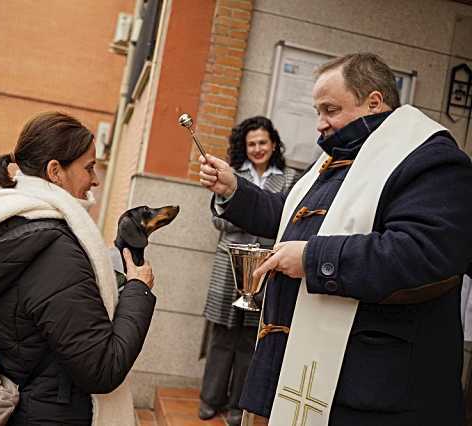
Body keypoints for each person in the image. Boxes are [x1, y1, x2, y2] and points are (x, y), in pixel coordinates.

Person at [199, 53, 472, 425]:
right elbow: (292, 216)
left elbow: (425, 252)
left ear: (373, 102)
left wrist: (312, 259)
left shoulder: (431, 159)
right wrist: (235, 190)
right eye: (317, 111)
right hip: (308, 365)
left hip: (376, 390)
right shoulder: (337, 158)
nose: (320, 125)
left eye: (330, 109)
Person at [0, 112, 156, 425]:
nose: (95, 180)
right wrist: (139, 289)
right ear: (55, 171)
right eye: (89, 167)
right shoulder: (55, 251)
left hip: (20, 402)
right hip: (52, 412)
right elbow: (102, 369)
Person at [199, 116, 297, 426]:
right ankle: (209, 398)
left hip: (264, 266)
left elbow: (285, 221)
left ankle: (236, 407)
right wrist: (249, 211)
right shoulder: (231, 174)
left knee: (249, 338)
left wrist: (245, 212)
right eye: (251, 143)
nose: (257, 148)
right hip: (229, 265)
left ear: (273, 145)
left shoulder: (289, 178)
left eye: (263, 143)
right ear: (244, 146)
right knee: (222, 334)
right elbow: (218, 221)